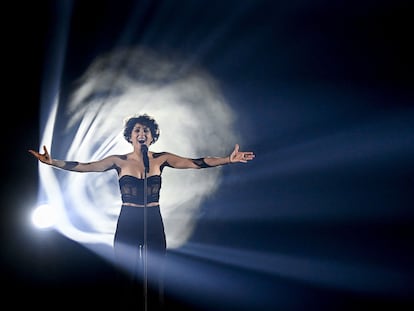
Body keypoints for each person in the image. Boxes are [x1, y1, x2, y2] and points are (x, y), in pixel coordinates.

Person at [28, 113, 255, 308]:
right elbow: (86, 167)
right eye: (137, 130)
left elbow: (195, 162)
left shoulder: (161, 158)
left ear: (152, 136)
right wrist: (53, 162)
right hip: (128, 219)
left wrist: (227, 159)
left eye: (146, 130)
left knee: (155, 276)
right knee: (126, 276)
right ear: (130, 136)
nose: (141, 133)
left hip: (153, 219)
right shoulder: (118, 160)